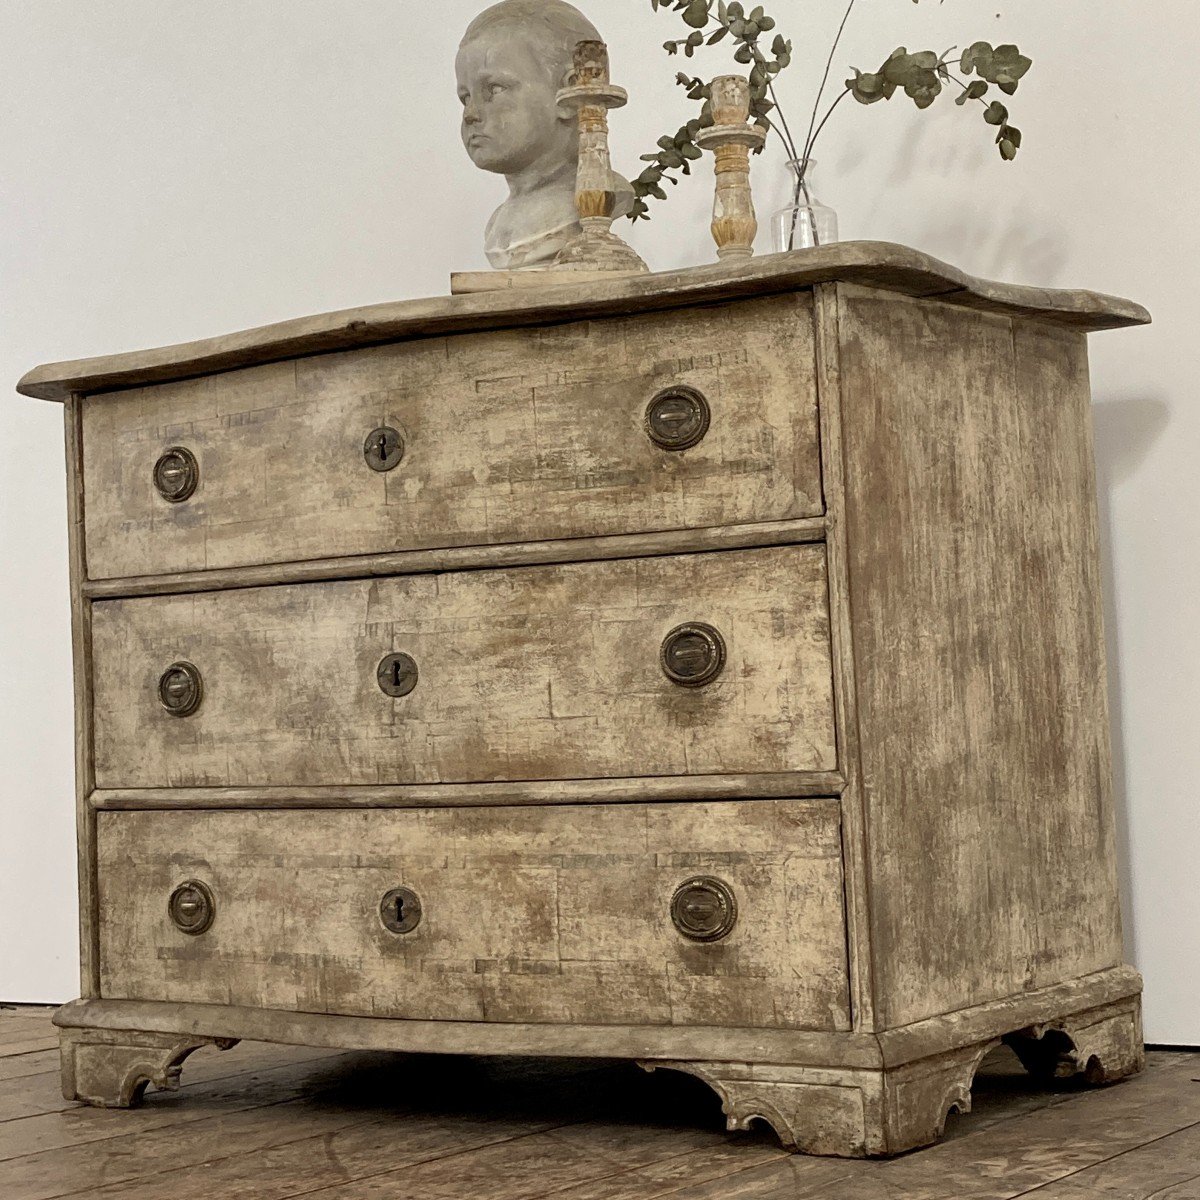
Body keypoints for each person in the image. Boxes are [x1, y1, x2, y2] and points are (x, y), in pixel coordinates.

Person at [456, 0, 634, 269]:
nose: (470, 114)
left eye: (493, 89)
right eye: (465, 97)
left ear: (570, 92)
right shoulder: (498, 226)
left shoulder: (590, 203)